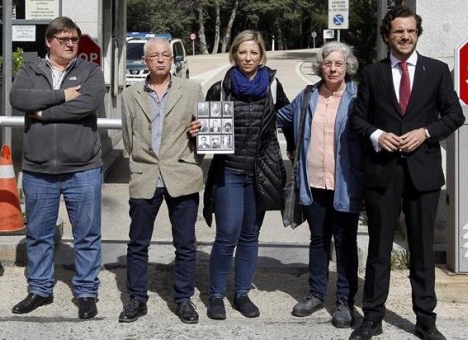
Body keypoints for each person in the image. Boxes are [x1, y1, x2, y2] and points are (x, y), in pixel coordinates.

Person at [349, 6, 464, 340]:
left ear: (417, 34)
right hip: (383, 174)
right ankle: (372, 317)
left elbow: (454, 115)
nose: (405, 37)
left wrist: (426, 133)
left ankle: (426, 320)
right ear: (388, 35)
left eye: (410, 31)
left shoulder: (437, 71)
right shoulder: (372, 74)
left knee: (423, 251)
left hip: (423, 175)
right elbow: (358, 119)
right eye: (398, 31)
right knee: (378, 251)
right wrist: (378, 135)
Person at [9, 16, 104, 320]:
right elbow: (18, 98)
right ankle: (39, 289)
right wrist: (61, 95)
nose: (69, 44)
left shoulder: (90, 71)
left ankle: (87, 291)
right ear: (48, 41)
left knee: (87, 235)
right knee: (38, 234)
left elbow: (87, 105)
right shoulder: (30, 70)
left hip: (83, 168)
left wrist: (43, 113)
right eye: (62, 39)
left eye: (74, 39)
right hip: (39, 170)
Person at [202, 30, 289, 320]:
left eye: (253, 52)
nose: (248, 57)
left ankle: (241, 294)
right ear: (234, 54)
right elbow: (208, 137)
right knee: (227, 234)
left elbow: (290, 122)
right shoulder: (220, 89)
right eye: (242, 52)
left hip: (260, 172)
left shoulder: (272, 87)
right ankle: (215, 295)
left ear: (261, 55)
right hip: (229, 172)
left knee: (251, 235)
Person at [276, 41, 364, 328]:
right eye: (328, 63)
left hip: (345, 183)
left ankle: (344, 300)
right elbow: (280, 118)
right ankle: (315, 293)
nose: (333, 68)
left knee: (345, 242)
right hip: (312, 182)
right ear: (320, 67)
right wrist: (238, 115)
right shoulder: (307, 95)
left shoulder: (358, 96)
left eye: (339, 63)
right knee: (318, 239)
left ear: (347, 66)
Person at [119, 37, 204, 324]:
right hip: (146, 175)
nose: (160, 59)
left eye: (165, 55)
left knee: (185, 243)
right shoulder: (130, 95)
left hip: (181, 174)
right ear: (145, 61)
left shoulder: (192, 90)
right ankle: (136, 298)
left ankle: (183, 299)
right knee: (138, 242)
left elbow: (204, 135)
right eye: (154, 55)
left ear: (172, 60)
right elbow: (129, 140)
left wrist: (199, 133)